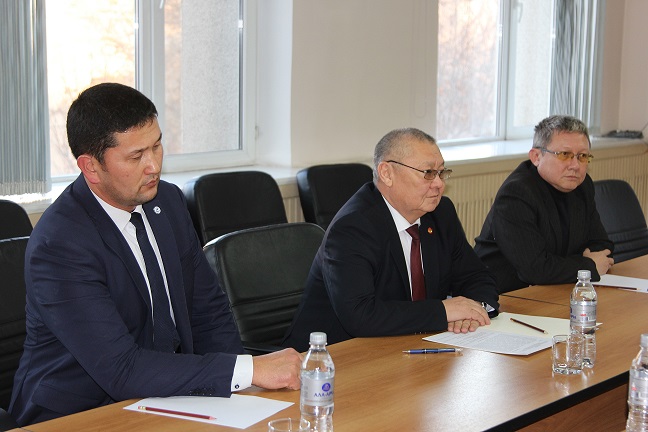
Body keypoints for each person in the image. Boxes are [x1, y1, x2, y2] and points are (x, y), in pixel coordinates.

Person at [9, 83, 302, 426]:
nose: (153, 166)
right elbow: (121, 368)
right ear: (90, 167)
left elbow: (208, 310)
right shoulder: (60, 244)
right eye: (136, 157)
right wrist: (249, 369)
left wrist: (240, 393)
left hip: (167, 397)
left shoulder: (168, 202)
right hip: (80, 414)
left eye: (157, 146)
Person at [282, 128, 499, 352]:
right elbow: (360, 315)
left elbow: (476, 276)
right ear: (386, 173)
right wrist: (444, 312)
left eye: (441, 172)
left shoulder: (441, 213)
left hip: (405, 345)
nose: (439, 184)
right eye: (428, 173)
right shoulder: (352, 227)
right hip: (329, 356)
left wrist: (473, 310)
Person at [474, 115, 614, 293]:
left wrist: (575, 264)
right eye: (565, 155)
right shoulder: (516, 194)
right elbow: (535, 269)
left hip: (556, 287)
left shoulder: (582, 186)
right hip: (504, 294)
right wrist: (587, 265)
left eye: (582, 156)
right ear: (536, 157)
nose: (575, 165)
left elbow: (602, 246)